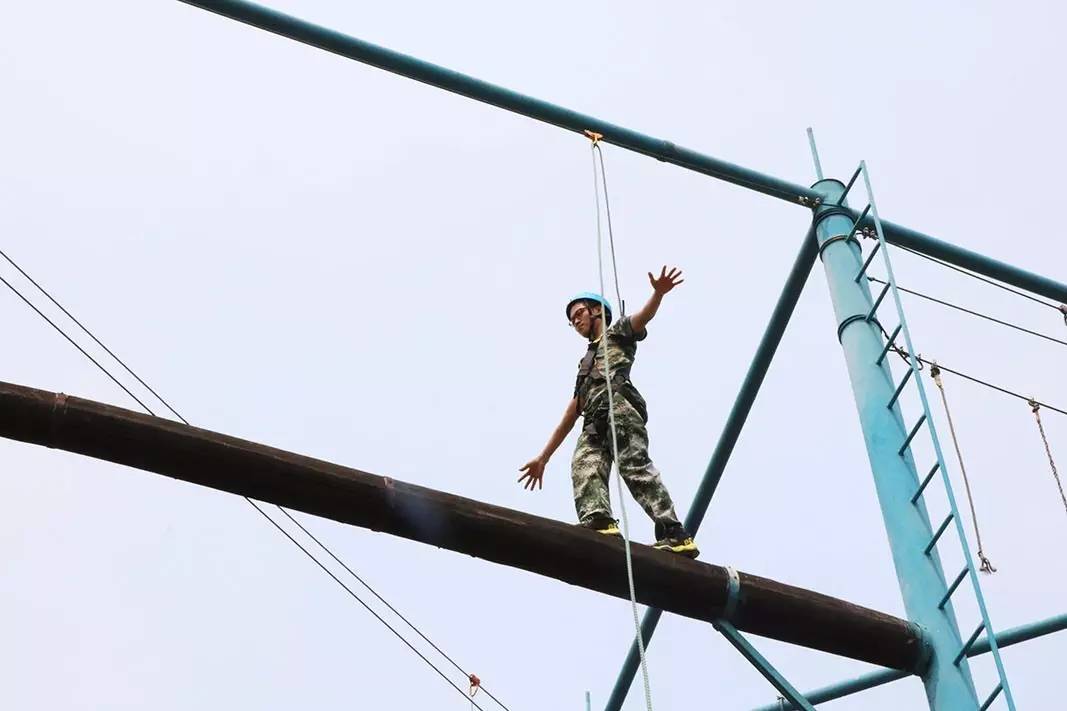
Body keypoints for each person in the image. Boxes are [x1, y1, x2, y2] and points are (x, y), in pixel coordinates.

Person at [518, 267, 698, 558]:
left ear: (596, 311)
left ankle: (674, 532)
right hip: (594, 420)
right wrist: (544, 456)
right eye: (572, 319)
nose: (576, 321)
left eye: (579, 313)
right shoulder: (585, 363)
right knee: (583, 464)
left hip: (619, 410)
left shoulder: (617, 334)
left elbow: (642, 318)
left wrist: (658, 293)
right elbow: (573, 408)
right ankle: (599, 519)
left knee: (634, 468)